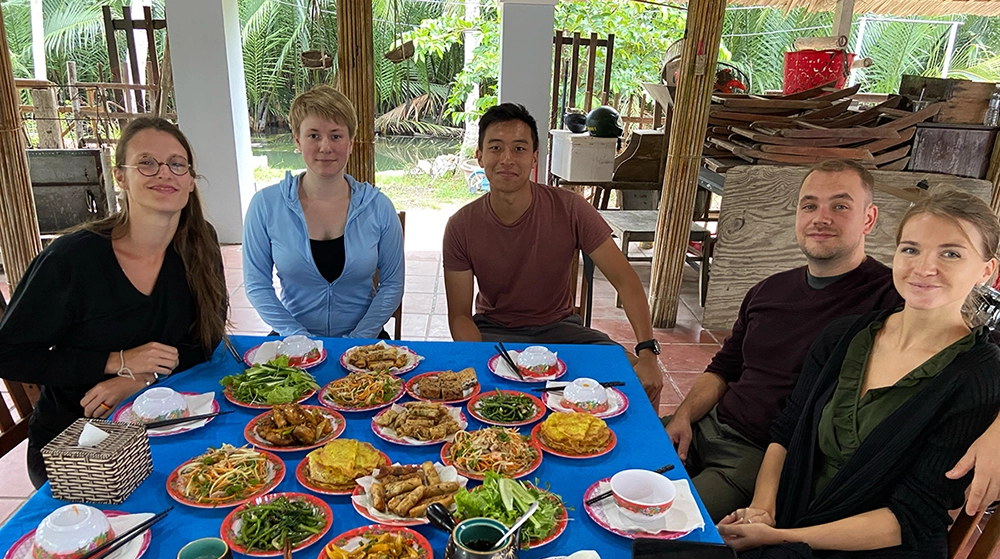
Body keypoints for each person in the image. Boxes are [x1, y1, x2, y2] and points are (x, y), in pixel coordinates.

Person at [718, 190, 1000, 559]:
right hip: (791, 521)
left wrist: (780, 538)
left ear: (987, 270)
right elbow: (786, 432)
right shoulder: (846, 335)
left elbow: (908, 520)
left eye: (950, 253)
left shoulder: (977, 376)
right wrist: (763, 510)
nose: (923, 267)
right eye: (911, 249)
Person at [665, 159, 1000, 521]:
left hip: (761, 457)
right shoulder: (769, 289)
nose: (821, 218)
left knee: (656, 520)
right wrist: (684, 416)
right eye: (810, 205)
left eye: (840, 206)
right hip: (707, 426)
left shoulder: (903, 296)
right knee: (607, 467)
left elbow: (981, 353)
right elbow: (724, 367)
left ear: (869, 219)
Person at [0, 117, 227, 488]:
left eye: (176, 163)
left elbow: (206, 339)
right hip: (81, 440)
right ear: (120, 176)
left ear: (189, 181)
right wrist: (115, 363)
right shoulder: (72, 259)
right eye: (146, 163)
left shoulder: (199, 244)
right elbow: (8, 352)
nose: (163, 173)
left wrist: (140, 379)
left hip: (169, 419)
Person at [442, 102, 663, 403]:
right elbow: (459, 316)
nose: (507, 159)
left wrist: (647, 350)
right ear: (479, 156)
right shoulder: (461, 226)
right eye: (495, 148)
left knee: (641, 378)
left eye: (519, 149)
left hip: (562, 333)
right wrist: (479, 358)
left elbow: (626, 281)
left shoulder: (570, 208)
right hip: (494, 334)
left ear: (534, 158)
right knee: (476, 397)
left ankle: (646, 449)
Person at [243, 85, 403, 338]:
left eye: (336, 136)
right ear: (297, 140)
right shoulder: (265, 205)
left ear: (351, 142)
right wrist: (298, 337)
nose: (325, 147)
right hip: (291, 339)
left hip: (365, 342)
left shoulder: (379, 207)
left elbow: (392, 284)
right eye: (314, 135)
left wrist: (358, 339)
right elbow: (257, 285)